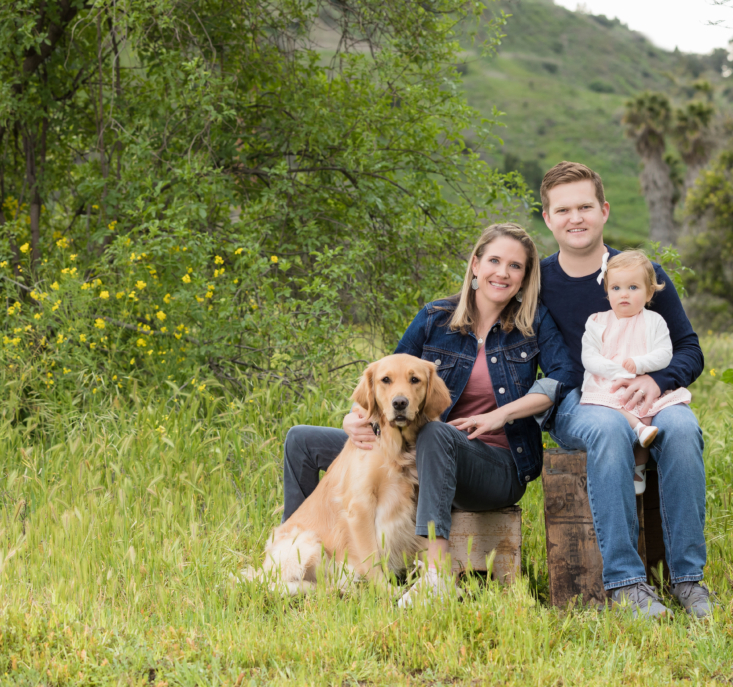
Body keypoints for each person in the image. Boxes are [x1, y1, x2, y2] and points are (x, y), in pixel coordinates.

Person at [279, 223, 578, 606]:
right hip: (415, 448)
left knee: (436, 434)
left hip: (493, 462)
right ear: (475, 264)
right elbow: (389, 375)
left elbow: (563, 378)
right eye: (494, 261)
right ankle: (296, 548)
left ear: (525, 277)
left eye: (515, 266)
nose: (502, 273)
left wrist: (501, 415)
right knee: (302, 440)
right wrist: (354, 416)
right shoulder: (435, 317)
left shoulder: (533, 323)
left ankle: (436, 575)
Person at [538, 161, 711, 619]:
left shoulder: (641, 272)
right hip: (581, 401)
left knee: (682, 425)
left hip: (651, 397)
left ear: (604, 210)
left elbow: (690, 349)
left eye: (585, 206)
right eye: (563, 209)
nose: (575, 218)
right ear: (547, 218)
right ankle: (626, 584)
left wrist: (656, 380)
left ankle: (688, 579)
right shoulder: (537, 282)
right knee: (610, 430)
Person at [579, 250, 693, 495]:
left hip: (641, 382)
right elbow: (588, 356)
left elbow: (665, 354)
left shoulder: (654, 322)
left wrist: (640, 364)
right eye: (616, 288)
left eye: (633, 287)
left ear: (649, 292)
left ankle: (638, 467)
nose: (624, 294)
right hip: (606, 382)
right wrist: (614, 370)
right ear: (607, 291)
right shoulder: (597, 321)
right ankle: (637, 433)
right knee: (611, 407)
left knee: (647, 414)